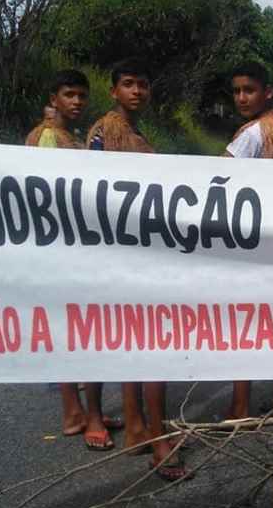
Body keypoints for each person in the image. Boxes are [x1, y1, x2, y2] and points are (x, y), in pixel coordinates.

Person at [86, 60, 188, 481]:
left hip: (140, 250)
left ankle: (136, 427)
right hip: (122, 253)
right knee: (150, 345)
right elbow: (92, 190)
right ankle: (155, 437)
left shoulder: (139, 135)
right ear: (114, 90)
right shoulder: (104, 132)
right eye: (128, 84)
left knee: (136, 341)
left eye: (143, 84)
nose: (137, 91)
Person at [25, 69, 119, 450]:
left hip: (62, 250)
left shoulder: (67, 136)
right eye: (69, 95)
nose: (77, 101)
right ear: (54, 98)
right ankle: (90, 415)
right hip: (69, 250)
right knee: (88, 332)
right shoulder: (49, 138)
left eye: (82, 95)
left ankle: (74, 412)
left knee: (69, 331)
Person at [223, 61, 273, 420]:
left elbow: (218, 178)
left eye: (249, 90)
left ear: (267, 92)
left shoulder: (251, 134)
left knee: (246, 322)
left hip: (253, 242)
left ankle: (240, 404)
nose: (241, 97)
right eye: (237, 91)